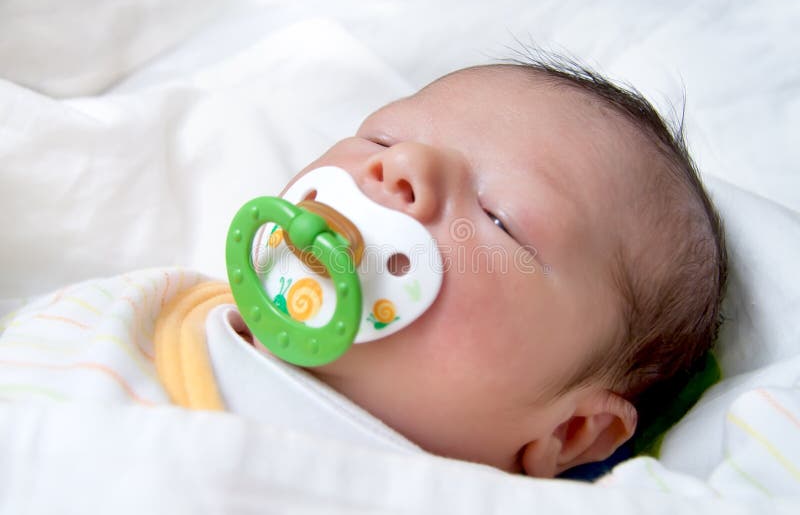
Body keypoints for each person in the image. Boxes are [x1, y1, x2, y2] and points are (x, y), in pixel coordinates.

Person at [0, 57, 727, 479]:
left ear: (568, 436)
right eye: (381, 134)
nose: (400, 167)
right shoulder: (142, 321)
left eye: (502, 215)